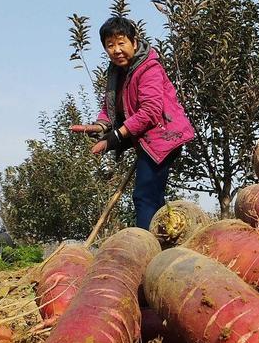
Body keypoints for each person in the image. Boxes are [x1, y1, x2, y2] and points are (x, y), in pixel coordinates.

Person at [71, 16, 194, 230]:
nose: (116, 50)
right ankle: (161, 241)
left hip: (162, 137)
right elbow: (110, 106)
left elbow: (151, 111)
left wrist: (116, 136)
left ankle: (147, 247)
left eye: (121, 43)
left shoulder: (148, 68)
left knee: (145, 195)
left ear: (134, 42)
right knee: (150, 197)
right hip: (145, 139)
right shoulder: (118, 73)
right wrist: (101, 126)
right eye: (110, 45)